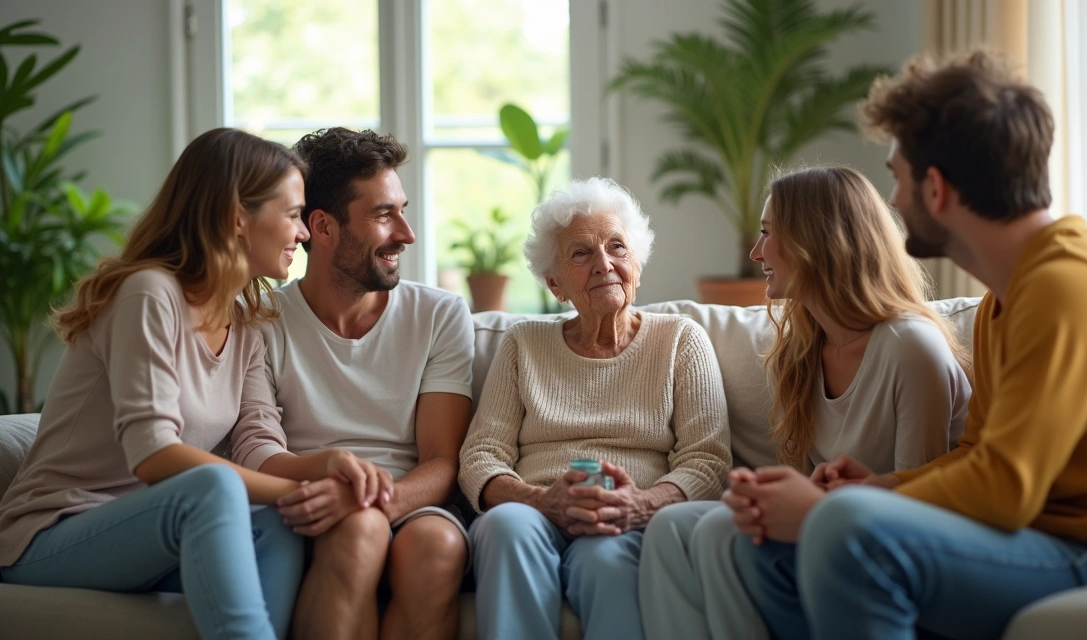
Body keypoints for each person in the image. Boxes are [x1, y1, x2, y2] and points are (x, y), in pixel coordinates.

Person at [727, 49, 1087, 640]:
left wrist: (836, 509)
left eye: (896, 177)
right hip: (1039, 539)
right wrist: (874, 487)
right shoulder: (1002, 302)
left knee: (845, 530)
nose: (892, 202)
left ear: (935, 189)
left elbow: (1006, 490)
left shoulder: (1068, 286)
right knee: (762, 549)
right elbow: (980, 455)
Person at [0, 128, 311, 639]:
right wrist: (292, 490)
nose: (302, 234)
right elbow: (154, 454)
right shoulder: (148, 294)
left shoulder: (247, 324)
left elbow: (258, 442)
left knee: (279, 524)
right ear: (238, 217)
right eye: (294, 213)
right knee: (213, 487)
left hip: (145, 531)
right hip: (51, 534)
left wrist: (331, 472)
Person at [638, 165, 972, 640]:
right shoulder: (800, 349)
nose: (756, 253)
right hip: (840, 526)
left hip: (901, 547)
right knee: (674, 526)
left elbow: (919, 509)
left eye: (767, 234)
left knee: (718, 533)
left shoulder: (910, 347)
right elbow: (809, 482)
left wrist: (821, 501)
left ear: (813, 243)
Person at [457, 176, 732, 640]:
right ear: (555, 283)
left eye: (617, 247)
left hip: (625, 516)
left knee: (607, 558)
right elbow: (480, 457)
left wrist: (638, 506)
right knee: (505, 527)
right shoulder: (524, 344)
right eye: (581, 253)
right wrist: (542, 500)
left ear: (637, 264)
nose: (604, 264)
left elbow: (707, 459)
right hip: (533, 508)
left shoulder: (681, 340)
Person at [235, 127, 475, 640]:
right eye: (384, 215)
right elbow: (256, 450)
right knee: (360, 530)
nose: (407, 234)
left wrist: (373, 500)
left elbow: (442, 461)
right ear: (322, 227)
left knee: (439, 547)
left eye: (402, 210)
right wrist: (344, 501)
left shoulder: (439, 315)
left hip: (415, 500)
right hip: (310, 498)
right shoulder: (258, 319)